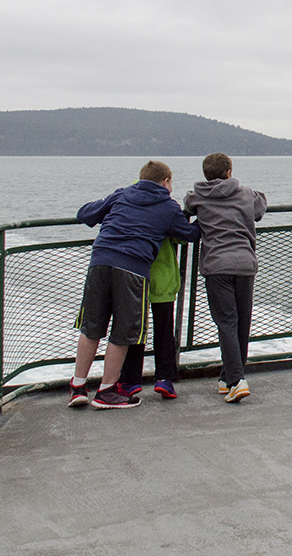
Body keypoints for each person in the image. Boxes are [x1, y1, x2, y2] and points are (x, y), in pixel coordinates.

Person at [70, 161, 201, 409]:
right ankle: (106, 392)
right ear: (166, 182)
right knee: (123, 332)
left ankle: (77, 387)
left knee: (91, 327)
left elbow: (85, 215)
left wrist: (105, 205)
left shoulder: (121, 194)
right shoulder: (167, 207)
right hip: (132, 268)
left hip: (99, 261)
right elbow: (191, 234)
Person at [184, 153, 267, 403]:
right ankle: (229, 377)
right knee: (241, 322)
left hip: (217, 266)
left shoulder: (197, 195)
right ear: (230, 172)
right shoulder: (245, 193)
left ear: (206, 174)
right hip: (244, 264)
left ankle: (235, 380)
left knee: (227, 323)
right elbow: (260, 208)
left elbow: (187, 207)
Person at [117, 236, 184, 400]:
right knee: (165, 330)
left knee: (136, 329)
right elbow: (182, 236)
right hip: (163, 278)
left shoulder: (132, 211)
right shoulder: (166, 211)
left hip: (137, 275)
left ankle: (131, 379)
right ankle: (165, 379)